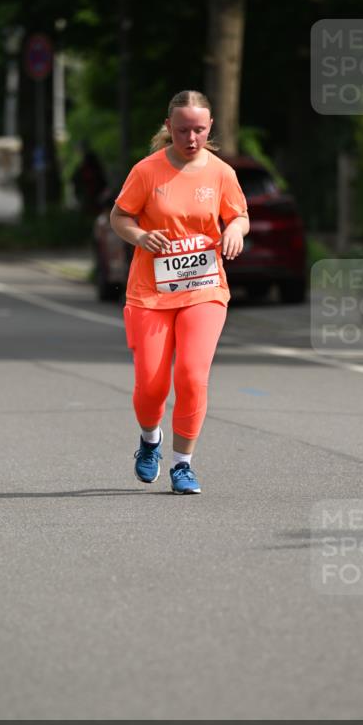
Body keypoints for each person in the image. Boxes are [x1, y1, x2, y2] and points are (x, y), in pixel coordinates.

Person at [110, 89, 249, 494]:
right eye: (184, 130)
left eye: (199, 130)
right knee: (152, 385)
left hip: (204, 288)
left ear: (210, 129)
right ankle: (149, 440)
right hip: (149, 293)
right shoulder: (147, 171)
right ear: (168, 127)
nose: (191, 139)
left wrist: (234, 233)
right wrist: (139, 235)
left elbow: (238, 215)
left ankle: (183, 464)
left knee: (191, 375)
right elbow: (120, 216)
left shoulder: (221, 172)